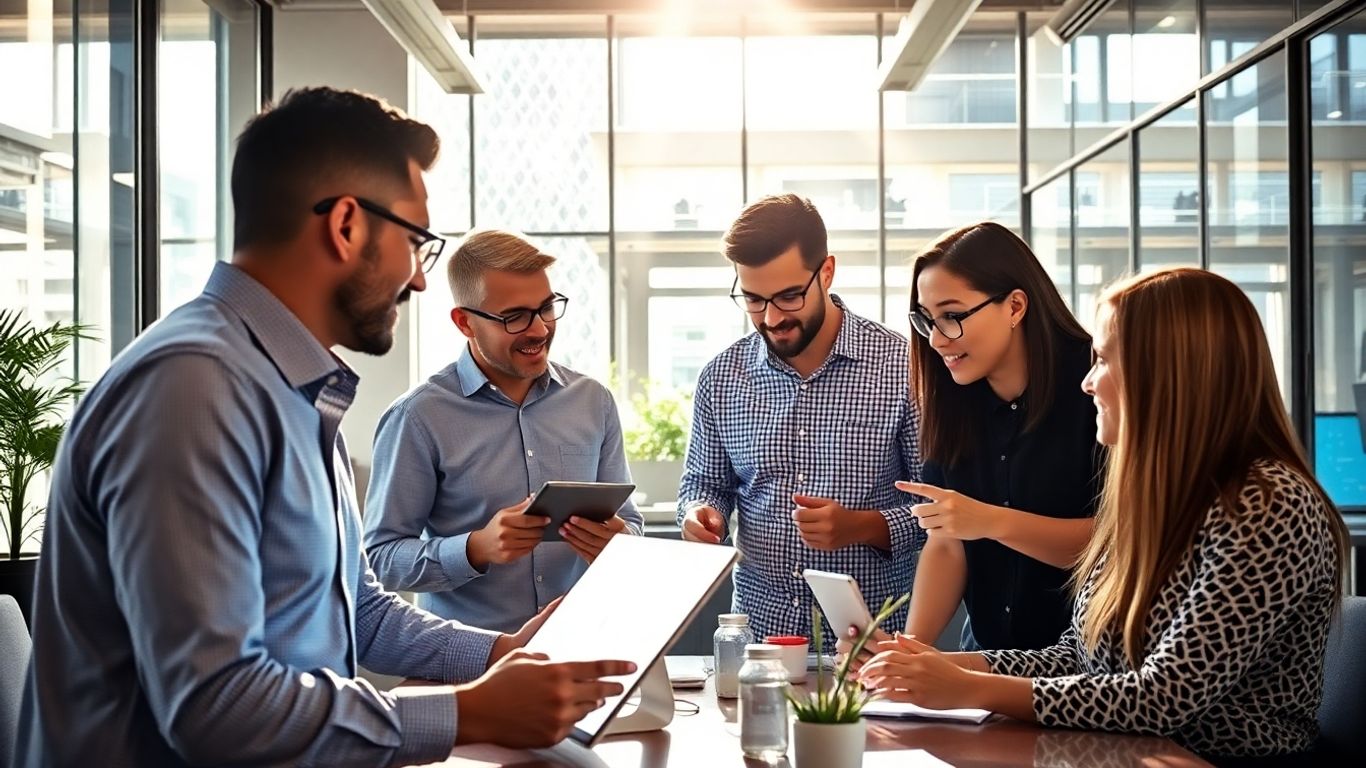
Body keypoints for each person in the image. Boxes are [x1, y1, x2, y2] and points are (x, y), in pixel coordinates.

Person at [15, 87, 633, 768]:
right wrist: (468, 712)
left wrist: (501, 654)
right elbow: (215, 707)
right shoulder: (193, 388)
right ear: (346, 226)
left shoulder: (296, 394)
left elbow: (358, 612)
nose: (419, 281)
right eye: (415, 243)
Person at [859, 268, 1349, 765]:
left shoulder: (1269, 504)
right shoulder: (1156, 499)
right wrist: (939, 665)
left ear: (1169, 373)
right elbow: (1078, 658)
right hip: (1125, 754)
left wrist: (969, 688)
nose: (1087, 383)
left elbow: (1163, 698)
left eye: (1104, 360)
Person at [840, 222, 1100, 661]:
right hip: (983, 660)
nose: (937, 339)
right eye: (927, 320)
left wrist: (991, 521)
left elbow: (1116, 545)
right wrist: (910, 651)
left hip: (1084, 669)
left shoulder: (1097, 389)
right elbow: (946, 543)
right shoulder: (950, 400)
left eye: (953, 316)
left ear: (1015, 306)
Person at [363, 229, 642, 634]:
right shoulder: (418, 417)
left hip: (583, 644)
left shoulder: (593, 402)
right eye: (515, 317)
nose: (540, 329)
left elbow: (629, 523)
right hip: (471, 659)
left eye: (546, 308)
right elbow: (379, 560)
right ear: (465, 322)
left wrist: (620, 539)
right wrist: (475, 548)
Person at [677, 193, 924, 644]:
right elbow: (704, 483)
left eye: (789, 296)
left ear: (826, 272)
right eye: (753, 299)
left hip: (869, 647)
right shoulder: (721, 377)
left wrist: (862, 526)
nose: (771, 318)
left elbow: (938, 511)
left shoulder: (903, 368)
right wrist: (700, 512)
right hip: (756, 645)